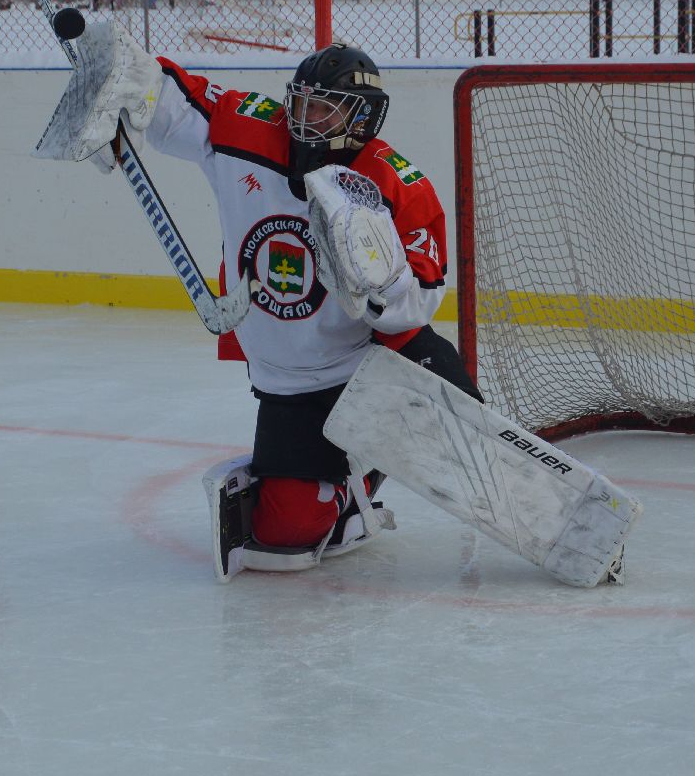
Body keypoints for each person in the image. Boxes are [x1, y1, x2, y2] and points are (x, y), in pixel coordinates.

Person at [41, 29, 479, 575]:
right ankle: (350, 482)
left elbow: (420, 299)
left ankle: (382, 444)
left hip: (370, 362)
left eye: (325, 111)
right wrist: (116, 75)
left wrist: (381, 287)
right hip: (290, 377)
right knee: (282, 541)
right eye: (302, 103)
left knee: (468, 438)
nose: (304, 119)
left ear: (362, 121)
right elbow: (171, 101)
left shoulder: (396, 183)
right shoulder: (250, 128)